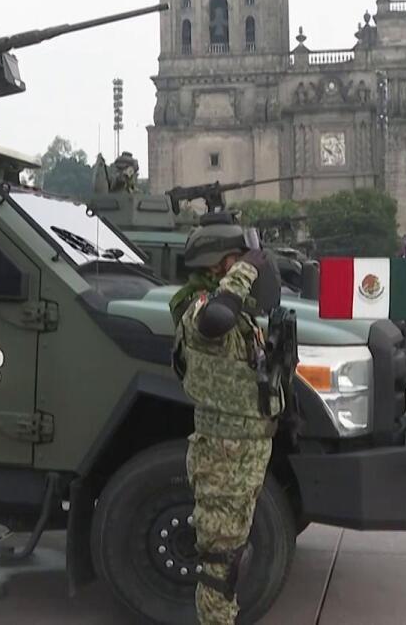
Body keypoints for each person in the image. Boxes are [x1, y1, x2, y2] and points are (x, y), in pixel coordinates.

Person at [169, 214, 283, 625]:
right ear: (224, 264)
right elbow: (212, 323)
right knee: (222, 564)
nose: (255, 271)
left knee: (235, 557)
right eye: (242, 261)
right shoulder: (201, 307)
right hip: (223, 454)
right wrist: (243, 272)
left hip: (246, 452)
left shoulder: (243, 317)